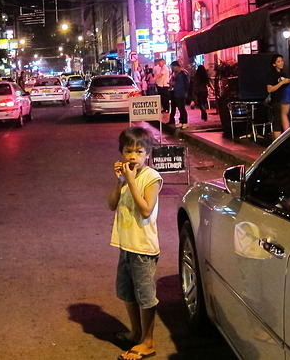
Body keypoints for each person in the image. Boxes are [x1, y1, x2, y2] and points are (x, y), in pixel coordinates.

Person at [107, 126, 163, 360]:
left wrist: (130, 180)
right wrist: (120, 182)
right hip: (125, 245)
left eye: (139, 152)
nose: (133, 157)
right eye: (128, 151)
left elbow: (145, 209)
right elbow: (111, 204)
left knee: (145, 295)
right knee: (127, 293)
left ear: (147, 154)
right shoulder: (126, 177)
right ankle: (135, 332)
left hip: (143, 248)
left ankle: (148, 342)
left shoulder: (151, 177)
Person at [266, 54, 290, 139]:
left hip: (285, 100)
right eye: (278, 61)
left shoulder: (283, 73)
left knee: (285, 120)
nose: (281, 63)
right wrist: (282, 83)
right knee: (277, 121)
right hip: (276, 101)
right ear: (274, 64)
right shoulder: (271, 74)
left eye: (282, 61)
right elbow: (269, 89)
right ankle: (276, 143)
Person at [168, 60, 189, 128]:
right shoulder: (175, 74)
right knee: (180, 108)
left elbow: (187, 84)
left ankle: (185, 122)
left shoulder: (183, 74)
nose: (172, 69)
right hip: (176, 92)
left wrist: (186, 92)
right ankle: (181, 121)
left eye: (173, 67)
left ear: (176, 66)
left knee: (182, 108)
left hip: (182, 93)